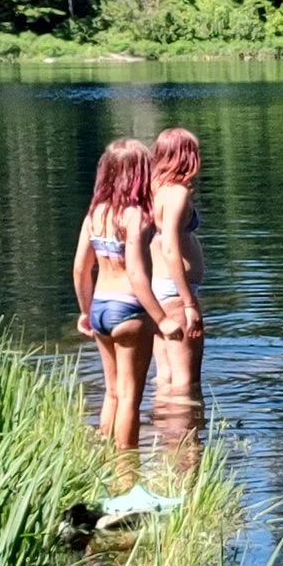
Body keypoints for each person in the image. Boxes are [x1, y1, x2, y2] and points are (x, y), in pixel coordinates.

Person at [72, 138, 176, 449]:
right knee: (131, 396)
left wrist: (85, 311)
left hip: (101, 307)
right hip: (128, 309)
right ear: (140, 175)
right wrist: (162, 319)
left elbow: (80, 269)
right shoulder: (137, 218)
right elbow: (136, 273)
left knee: (113, 392)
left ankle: (104, 458)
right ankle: (126, 469)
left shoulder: (95, 214)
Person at [150, 127, 207, 404]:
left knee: (164, 377)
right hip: (175, 291)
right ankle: (188, 445)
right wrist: (189, 303)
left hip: (158, 290)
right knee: (186, 383)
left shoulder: (153, 188)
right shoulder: (176, 194)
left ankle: (165, 441)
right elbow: (170, 246)